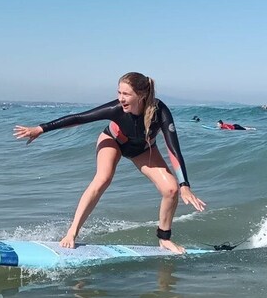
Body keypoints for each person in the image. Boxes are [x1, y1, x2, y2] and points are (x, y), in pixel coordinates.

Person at [13, 72, 206, 254]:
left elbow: (174, 148)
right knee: (103, 178)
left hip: (143, 149)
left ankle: (164, 238)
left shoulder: (160, 112)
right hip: (113, 141)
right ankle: (72, 231)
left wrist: (184, 185)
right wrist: (40, 129)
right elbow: (79, 118)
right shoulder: (116, 109)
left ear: (142, 95)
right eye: (119, 92)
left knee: (171, 189)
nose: (121, 98)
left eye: (126, 94)